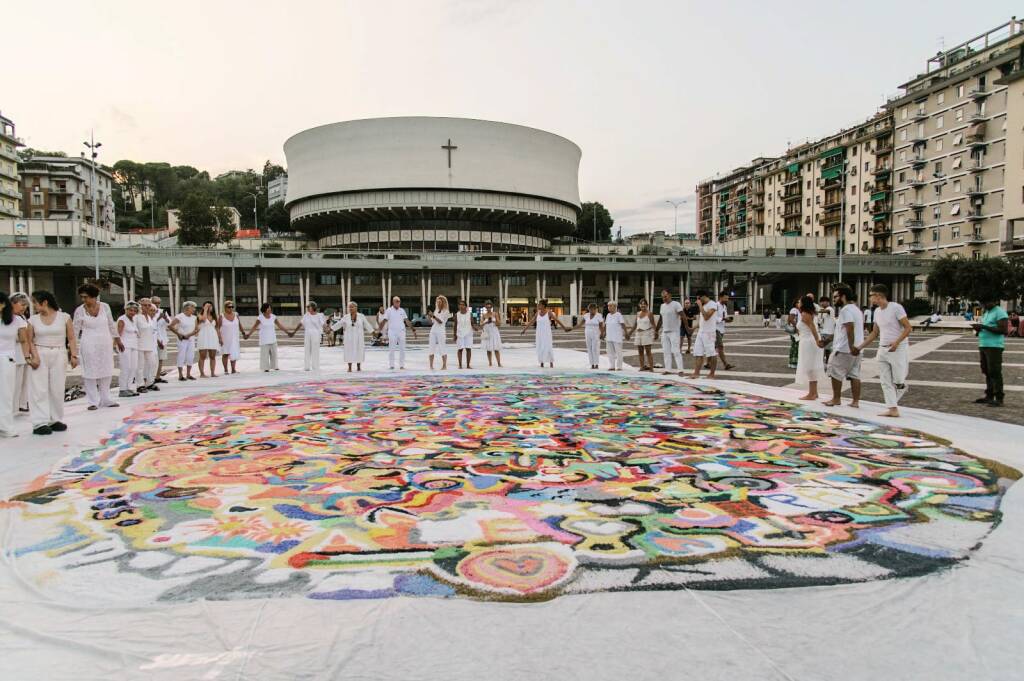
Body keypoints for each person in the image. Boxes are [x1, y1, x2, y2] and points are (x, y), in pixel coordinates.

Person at [856, 284, 912, 418]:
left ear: (878, 296)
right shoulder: (877, 312)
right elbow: (874, 333)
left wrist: (897, 342)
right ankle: (893, 409)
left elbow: (908, 328)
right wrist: (859, 347)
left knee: (898, 380)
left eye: (871, 295)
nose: (869, 298)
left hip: (898, 349)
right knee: (885, 381)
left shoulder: (896, 308)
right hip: (883, 349)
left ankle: (901, 386)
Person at [26, 290, 76, 435]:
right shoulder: (32, 320)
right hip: (40, 352)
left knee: (57, 387)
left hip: (59, 352)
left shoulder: (64, 317)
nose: (34, 306)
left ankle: (55, 419)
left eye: (35, 302)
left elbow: (71, 338)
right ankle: (39, 422)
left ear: (45, 302)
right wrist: (34, 356)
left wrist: (73, 355)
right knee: (39, 388)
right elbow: (29, 340)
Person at [73, 284, 123, 409]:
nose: (84, 300)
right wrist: (71, 348)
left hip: (104, 343)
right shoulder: (80, 310)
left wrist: (118, 340)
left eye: (86, 297)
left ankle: (105, 398)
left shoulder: (105, 307)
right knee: (90, 371)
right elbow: (74, 330)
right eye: (82, 297)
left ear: (95, 297)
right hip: (88, 343)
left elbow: (111, 324)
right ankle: (92, 401)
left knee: (106, 369)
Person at [822, 285, 863, 408]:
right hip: (858, 348)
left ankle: (836, 399)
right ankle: (855, 401)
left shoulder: (845, 310)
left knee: (836, 373)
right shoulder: (857, 309)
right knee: (855, 375)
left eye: (835, 297)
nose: (833, 299)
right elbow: (841, 330)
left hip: (845, 348)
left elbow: (849, 328)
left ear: (843, 296)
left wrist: (850, 347)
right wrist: (827, 340)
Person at [0, 292, 31, 437]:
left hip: (7, 358)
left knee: (6, 394)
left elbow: (24, 340)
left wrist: (28, 357)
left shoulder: (16, 320)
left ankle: (5, 427)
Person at [972, 299, 1009, 407]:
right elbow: (988, 327)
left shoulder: (999, 312)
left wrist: (983, 327)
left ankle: (999, 398)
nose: (983, 305)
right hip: (984, 345)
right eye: (982, 303)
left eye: (984, 302)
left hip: (994, 346)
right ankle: (989, 396)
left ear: (993, 301)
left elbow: (1003, 330)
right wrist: (979, 330)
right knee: (987, 371)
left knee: (995, 372)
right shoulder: (987, 312)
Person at [794, 295, 826, 400]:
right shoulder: (809, 313)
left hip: (808, 341)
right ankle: (814, 392)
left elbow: (812, 327)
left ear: (803, 303)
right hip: (808, 340)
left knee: (809, 367)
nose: (798, 303)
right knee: (812, 367)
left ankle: (812, 393)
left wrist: (817, 340)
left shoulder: (805, 314)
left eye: (799, 302)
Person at [245, 302, 292, 372]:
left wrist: (287, 332)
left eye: (270, 308)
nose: (270, 309)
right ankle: (266, 368)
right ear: (265, 309)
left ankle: (275, 366)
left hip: (272, 338)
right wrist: (248, 334)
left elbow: (280, 326)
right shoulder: (260, 318)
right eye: (268, 308)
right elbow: (254, 327)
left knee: (274, 354)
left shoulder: (273, 317)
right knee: (265, 355)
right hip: (264, 339)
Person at [521, 299, 569, 368]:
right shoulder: (537, 313)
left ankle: (551, 362)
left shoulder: (548, 312)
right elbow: (531, 321)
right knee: (540, 346)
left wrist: (564, 328)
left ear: (543, 305)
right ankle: (542, 362)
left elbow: (556, 320)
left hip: (546, 333)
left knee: (548, 346)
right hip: (539, 333)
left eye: (539, 304)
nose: (538, 305)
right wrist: (524, 330)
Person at [379, 296, 417, 370]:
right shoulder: (389, 310)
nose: (398, 303)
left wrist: (413, 330)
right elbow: (384, 321)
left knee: (402, 349)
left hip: (401, 331)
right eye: (396, 301)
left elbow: (407, 321)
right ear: (393, 302)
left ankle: (402, 365)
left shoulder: (402, 310)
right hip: (392, 332)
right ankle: (391, 365)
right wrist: (379, 331)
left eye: (399, 301)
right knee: (391, 349)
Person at [9, 293, 31, 415]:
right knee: (15, 382)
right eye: (21, 305)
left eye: (25, 306)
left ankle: (23, 403)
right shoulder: (9, 318)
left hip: (24, 353)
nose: (24, 308)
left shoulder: (22, 318)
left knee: (24, 381)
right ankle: (14, 406)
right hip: (14, 353)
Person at [654, 289, 685, 375]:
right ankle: (668, 369)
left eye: (665, 296)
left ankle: (680, 370)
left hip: (674, 332)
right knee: (666, 351)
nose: (664, 298)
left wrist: (687, 328)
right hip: (665, 332)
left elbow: (683, 316)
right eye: (662, 297)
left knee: (676, 351)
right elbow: (661, 319)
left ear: (670, 295)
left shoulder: (676, 304)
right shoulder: (662, 306)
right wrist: (656, 330)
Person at [690, 291, 719, 379]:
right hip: (701, 332)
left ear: (704, 296)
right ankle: (696, 372)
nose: (698, 300)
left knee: (711, 353)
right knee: (698, 352)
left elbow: (706, 317)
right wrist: (694, 327)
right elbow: (702, 320)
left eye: (699, 298)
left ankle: (712, 373)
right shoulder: (703, 306)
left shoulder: (712, 304)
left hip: (709, 333)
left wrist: (700, 306)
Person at [168, 301, 199, 381]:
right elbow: (171, 326)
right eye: (193, 307)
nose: (194, 309)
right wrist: (178, 334)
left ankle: (188, 374)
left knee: (190, 356)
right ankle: (180, 375)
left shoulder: (194, 317)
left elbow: (196, 329)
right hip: (182, 339)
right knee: (181, 356)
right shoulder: (180, 316)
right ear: (187, 308)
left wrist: (190, 334)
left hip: (191, 339)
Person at [116, 301, 141, 398]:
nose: (132, 312)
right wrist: (117, 344)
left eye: (134, 311)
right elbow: (117, 334)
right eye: (130, 310)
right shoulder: (122, 319)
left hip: (134, 345)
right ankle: (122, 389)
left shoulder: (134, 320)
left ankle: (129, 387)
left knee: (133, 367)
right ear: (126, 309)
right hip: (124, 345)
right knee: (125, 367)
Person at [135, 298, 159, 392]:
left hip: (150, 344)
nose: (147, 307)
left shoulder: (149, 318)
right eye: (145, 305)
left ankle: (150, 382)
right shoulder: (137, 317)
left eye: (149, 305)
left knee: (152, 363)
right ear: (140, 306)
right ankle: (139, 385)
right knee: (140, 366)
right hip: (139, 344)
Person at [294, 301, 326, 371]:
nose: (307, 308)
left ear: (313, 307)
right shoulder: (306, 315)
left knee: (315, 350)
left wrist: (327, 330)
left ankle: (315, 366)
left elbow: (323, 324)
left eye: (309, 307)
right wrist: (294, 331)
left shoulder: (319, 315)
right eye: (307, 307)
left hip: (316, 334)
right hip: (307, 334)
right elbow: (300, 323)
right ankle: (307, 367)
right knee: (307, 350)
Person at [195, 301, 221, 378]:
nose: (210, 307)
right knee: (202, 356)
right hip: (203, 336)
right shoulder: (200, 315)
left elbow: (217, 328)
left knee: (213, 356)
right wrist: (205, 309)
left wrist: (220, 338)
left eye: (210, 306)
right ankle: (202, 373)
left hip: (213, 337)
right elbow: (203, 319)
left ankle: (213, 372)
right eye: (207, 306)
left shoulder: (215, 317)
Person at [427, 295, 452, 370]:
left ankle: (444, 365)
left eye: (440, 302)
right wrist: (429, 316)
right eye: (437, 302)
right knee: (431, 347)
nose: (438, 303)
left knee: (442, 347)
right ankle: (431, 365)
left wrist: (433, 316)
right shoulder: (436, 310)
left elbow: (441, 321)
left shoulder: (446, 311)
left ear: (443, 302)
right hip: (433, 330)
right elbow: (431, 322)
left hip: (441, 331)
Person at [575, 303, 604, 369]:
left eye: (594, 309)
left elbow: (601, 326)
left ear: (596, 309)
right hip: (587, 333)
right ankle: (592, 364)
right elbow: (580, 324)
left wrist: (602, 334)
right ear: (589, 309)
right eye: (590, 309)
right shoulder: (586, 315)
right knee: (589, 348)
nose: (592, 311)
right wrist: (571, 328)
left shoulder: (599, 315)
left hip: (596, 333)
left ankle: (596, 364)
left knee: (595, 348)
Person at [630, 298, 655, 371]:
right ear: (639, 305)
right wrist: (629, 333)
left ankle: (651, 367)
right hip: (638, 333)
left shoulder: (649, 313)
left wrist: (655, 333)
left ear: (647, 305)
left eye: (644, 304)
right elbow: (635, 325)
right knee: (640, 351)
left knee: (648, 351)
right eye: (641, 304)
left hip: (646, 333)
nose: (643, 305)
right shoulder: (638, 313)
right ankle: (642, 366)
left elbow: (653, 324)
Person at [151, 295, 171, 384]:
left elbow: (170, 323)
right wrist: (159, 317)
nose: (157, 305)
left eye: (158, 303)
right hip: (152, 339)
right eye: (155, 303)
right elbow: (152, 324)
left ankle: (158, 377)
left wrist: (165, 318)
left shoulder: (162, 311)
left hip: (163, 338)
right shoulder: (149, 312)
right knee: (152, 359)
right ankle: (150, 377)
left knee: (160, 358)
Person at [218, 300, 241, 375]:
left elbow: (239, 324)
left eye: (232, 307)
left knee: (233, 352)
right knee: (225, 353)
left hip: (234, 337)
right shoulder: (221, 316)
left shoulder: (236, 315)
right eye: (229, 307)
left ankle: (233, 369)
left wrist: (243, 333)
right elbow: (217, 327)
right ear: (225, 308)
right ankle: (225, 370)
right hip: (225, 338)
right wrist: (220, 338)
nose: (231, 308)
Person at [715, 291, 736, 370]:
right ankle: (726, 364)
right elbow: (714, 318)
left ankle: (708, 363)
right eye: (725, 298)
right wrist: (723, 319)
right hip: (715, 329)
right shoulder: (715, 306)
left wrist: (728, 320)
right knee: (720, 346)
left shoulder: (724, 307)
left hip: (721, 329)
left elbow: (725, 317)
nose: (727, 299)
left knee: (713, 347)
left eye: (728, 298)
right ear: (720, 297)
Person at [603, 301, 626, 371]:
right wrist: (603, 333)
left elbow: (623, 324)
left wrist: (626, 333)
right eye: (608, 306)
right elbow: (606, 325)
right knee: (610, 352)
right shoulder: (608, 315)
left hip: (617, 337)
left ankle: (619, 366)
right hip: (609, 337)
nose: (609, 307)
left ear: (615, 307)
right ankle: (612, 366)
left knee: (618, 352)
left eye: (611, 306)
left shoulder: (618, 315)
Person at [480, 300, 503, 368]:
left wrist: (493, 321)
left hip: (494, 331)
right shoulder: (484, 315)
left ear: (491, 307)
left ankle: (499, 363)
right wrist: (486, 322)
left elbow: (499, 323)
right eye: (487, 307)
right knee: (488, 348)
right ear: (485, 307)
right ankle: (490, 363)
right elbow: (481, 324)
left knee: (496, 348)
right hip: (487, 331)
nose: (488, 308)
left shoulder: (495, 314)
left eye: (490, 306)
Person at [454, 300, 476, 369]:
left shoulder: (470, 314)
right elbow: (455, 325)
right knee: (460, 349)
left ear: (466, 306)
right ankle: (460, 365)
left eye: (463, 304)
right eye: (460, 304)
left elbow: (472, 323)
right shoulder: (456, 314)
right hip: (460, 333)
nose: (461, 306)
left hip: (468, 333)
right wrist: (454, 335)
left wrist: (475, 327)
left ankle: (468, 365)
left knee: (468, 349)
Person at [817, 297, 836, 365]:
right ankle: (824, 362)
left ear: (828, 302)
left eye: (823, 301)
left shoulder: (830, 309)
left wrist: (816, 311)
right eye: (821, 302)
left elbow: (827, 311)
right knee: (824, 349)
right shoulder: (822, 310)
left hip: (828, 332)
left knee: (827, 349)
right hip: (823, 331)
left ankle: (827, 362)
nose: (821, 303)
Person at [786, 297, 801, 369]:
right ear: (795, 304)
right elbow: (791, 319)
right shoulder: (794, 310)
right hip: (795, 330)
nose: (799, 304)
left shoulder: (798, 310)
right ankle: (793, 362)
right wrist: (797, 327)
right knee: (795, 346)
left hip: (796, 329)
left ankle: (794, 361)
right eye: (798, 302)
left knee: (796, 346)